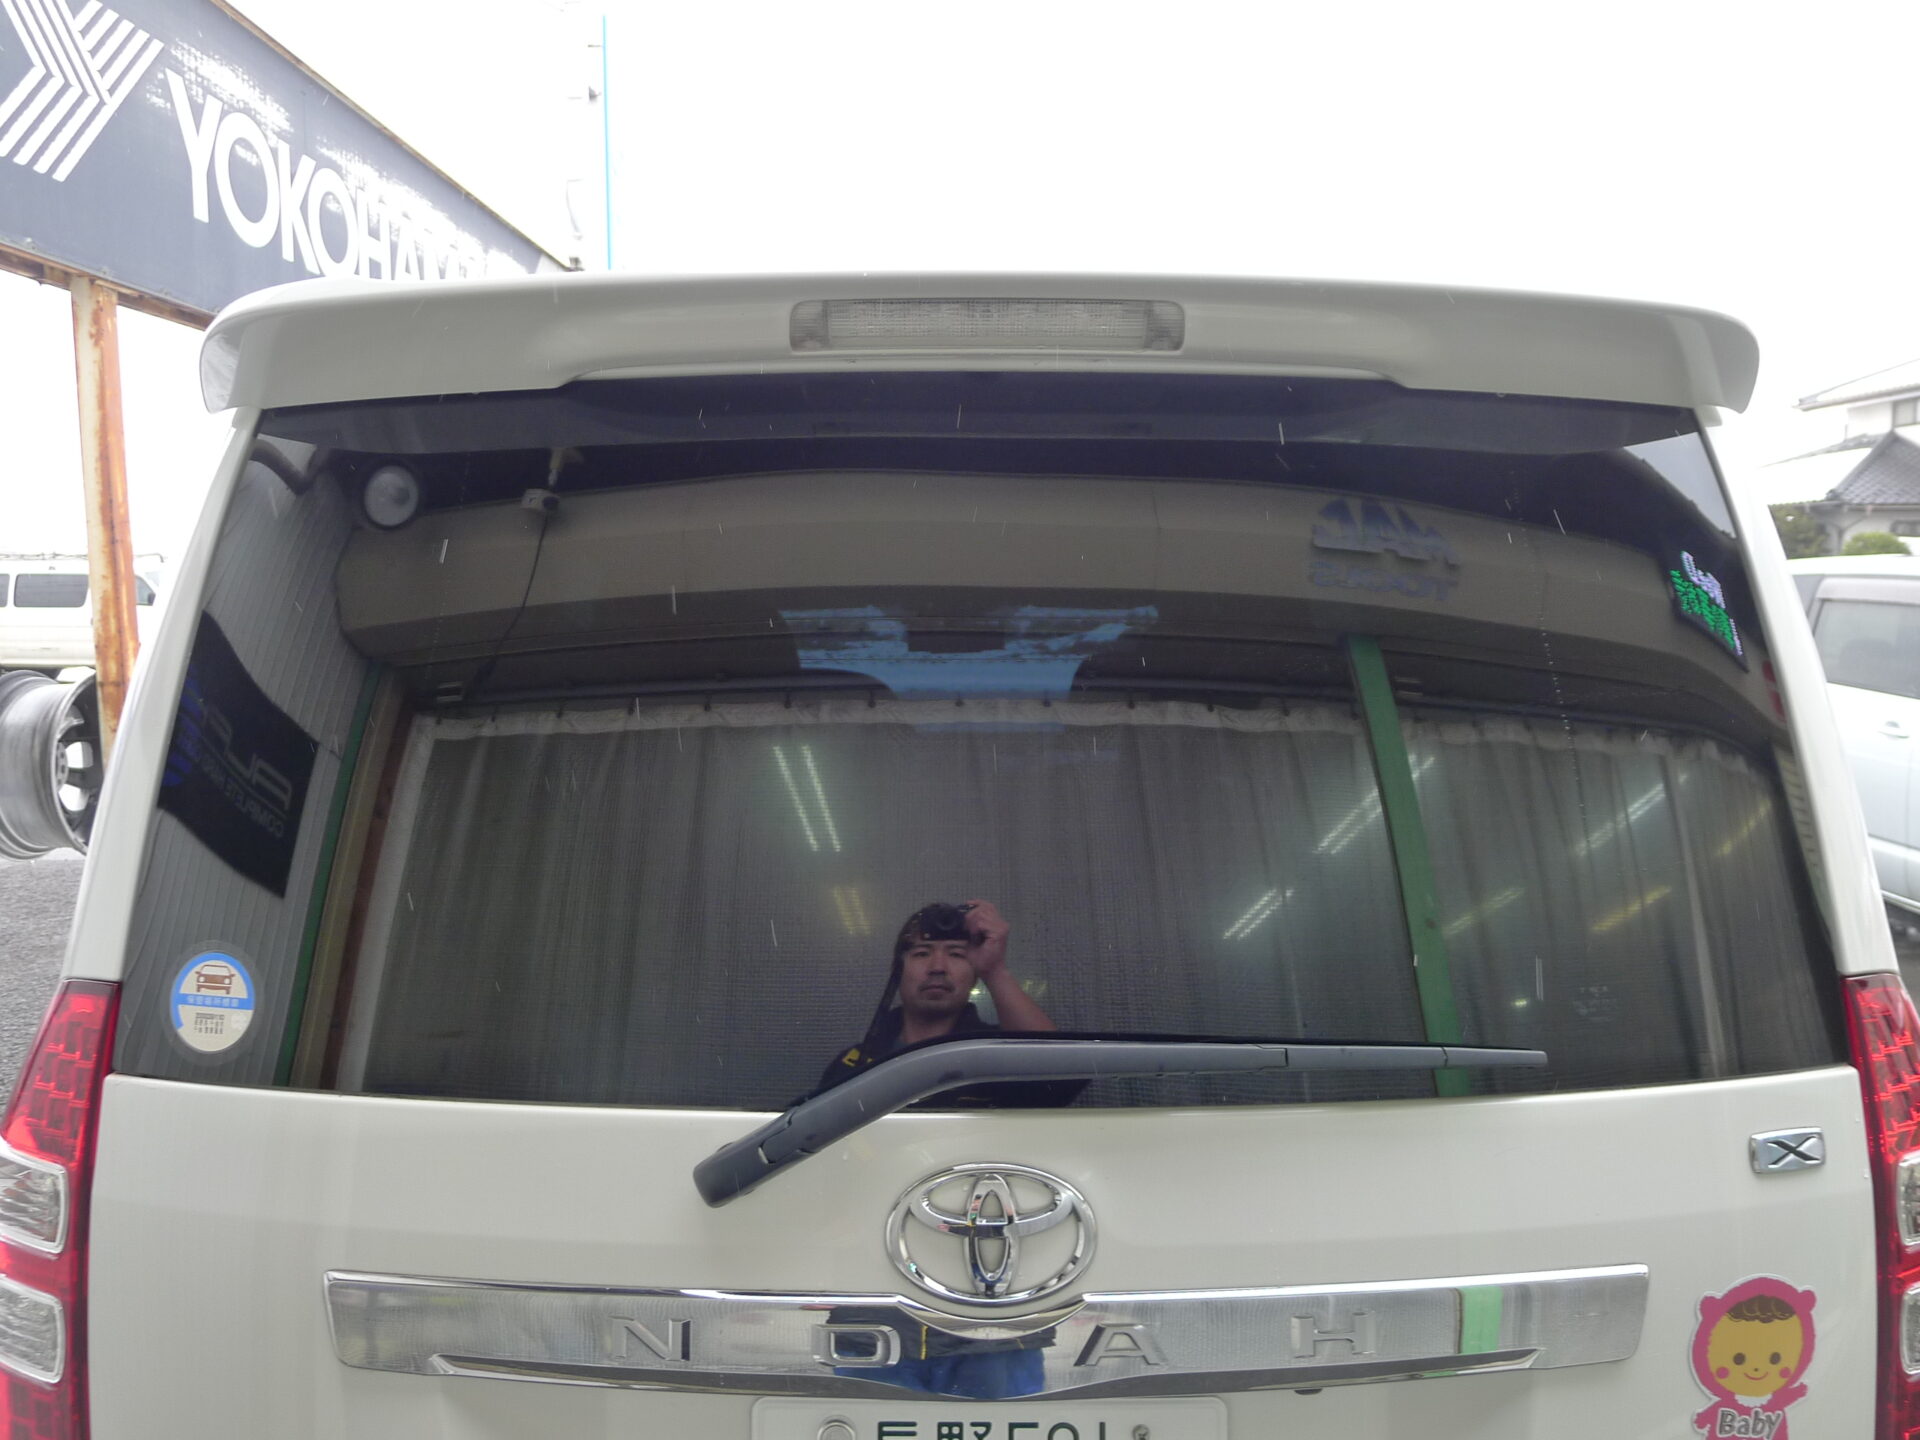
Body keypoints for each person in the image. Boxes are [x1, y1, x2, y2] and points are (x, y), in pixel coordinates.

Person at [814, 899, 1058, 1096]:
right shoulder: (854, 1064)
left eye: (956, 954)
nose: (938, 967)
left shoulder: (994, 1056)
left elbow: (1057, 1080)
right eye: (922, 953)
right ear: (898, 972)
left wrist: (994, 971)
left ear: (975, 975)